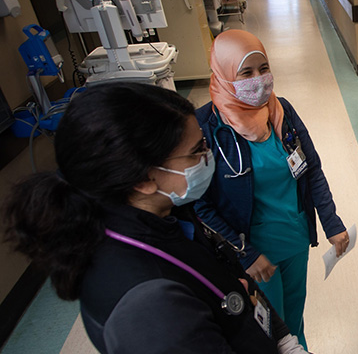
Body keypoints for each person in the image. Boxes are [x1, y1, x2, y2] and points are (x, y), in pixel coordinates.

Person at [1, 83, 308, 353]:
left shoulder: (169, 214)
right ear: (143, 179)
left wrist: (284, 343)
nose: (208, 154)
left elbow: (235, 287)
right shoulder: (148, 309)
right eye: (197, 150)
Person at [194, 29, 349, 350]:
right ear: (222, 74)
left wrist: (331, 222)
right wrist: (246, 254)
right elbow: (199, 205)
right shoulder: (206, 128)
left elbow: (312, 169)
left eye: (264, 69)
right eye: (246, 72)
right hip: (255, 254)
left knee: (294, 319)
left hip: (293, 239)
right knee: (269, 329)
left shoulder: (282, 112)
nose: (259, 80)